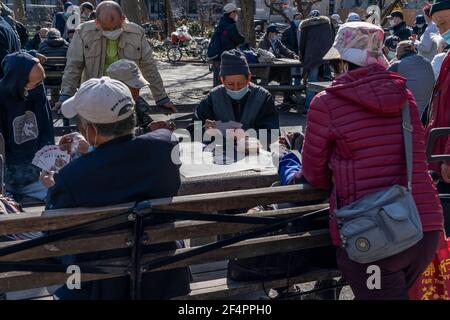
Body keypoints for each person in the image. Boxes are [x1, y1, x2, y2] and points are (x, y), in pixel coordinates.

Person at [301, 22, 443, 300]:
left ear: (342, 63)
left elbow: (314, 174)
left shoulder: (325, 103)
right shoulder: (405, 97)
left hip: (374, 237)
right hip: (423, 228)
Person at [41, 77, 191, 300]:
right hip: (165, 276)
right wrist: (93, 152)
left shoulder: (71, 178)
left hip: (100, 287)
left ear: (90, 129)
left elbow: (52, 237)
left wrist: (53, 187)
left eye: (80, 122)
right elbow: (128, 158)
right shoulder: (166, 146)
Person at [55, 1, 176, 114]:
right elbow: (73, 66)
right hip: (94, 94)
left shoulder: (137, 33)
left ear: (123, 19)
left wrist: (161, 98)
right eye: (107, 28)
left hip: (125, 96)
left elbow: (149, 66)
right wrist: (66, 96)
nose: (112, 31)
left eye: (116, 27)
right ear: (97, 22)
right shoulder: (83, 32)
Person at [0, 52, 54, 202]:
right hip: (9, 177)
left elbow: (45, 129)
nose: (40, 87)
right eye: (35, 83)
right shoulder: (2, 97)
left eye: (41, 82)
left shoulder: (36, 91)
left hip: (37, 175)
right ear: (18, 81)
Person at [193, 50, 279, 137]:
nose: (236, 88)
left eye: (241, 84)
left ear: (249, 78)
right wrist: (205, 130)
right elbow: (193, 129)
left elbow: (272, 133)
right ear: (222, 80)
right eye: (230, 84)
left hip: (254, 148)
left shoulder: (263, 97)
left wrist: (246, 135)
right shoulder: (213, 97)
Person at [424, 0, 450, 233]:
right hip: (439, 153)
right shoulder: (447, 58)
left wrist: (448, 157)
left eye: (444, 24)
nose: (441, 31)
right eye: (438, 26)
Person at [107, 59, 174, 134]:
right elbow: (113, 139)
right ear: (117, 86)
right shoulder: (104, 107)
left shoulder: (137, 101)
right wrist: (147, 130)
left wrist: (157, 126)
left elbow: (146, 122)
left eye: (138, 87)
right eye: (132, 87)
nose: (137, 91)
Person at [388, 40, 435, 116]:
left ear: (398, 52)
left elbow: (382, 79)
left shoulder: (397, 64)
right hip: (428, 112)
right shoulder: (427, 62)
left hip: (409, 113)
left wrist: (391, 64)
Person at [299, 10, 334, 110]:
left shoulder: (306, 26)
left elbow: (302, 44)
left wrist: (301, 57)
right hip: (326, 55)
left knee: (312, 81)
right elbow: (332, 38)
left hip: (312, 56)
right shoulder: (327, 24)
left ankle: (309, 106)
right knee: (326, 81)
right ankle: (327, 105)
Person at [258, 24, 298, 104]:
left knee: (286, 69)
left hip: (276, 67)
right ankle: (287, 95)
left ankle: (287, 95)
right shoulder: (263, 42)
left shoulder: (276, 42)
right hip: (267, 69)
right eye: (275, 33)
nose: (277, 35)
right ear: (269, 33)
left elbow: (284, 50)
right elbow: (266, 56)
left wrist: (293, 55)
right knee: (284, 71)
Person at [210, 3, 245, 87]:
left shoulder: (221, 23)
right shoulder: (231, 26)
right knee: (226, 83)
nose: (236, 15)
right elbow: (239, 39)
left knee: (217, 83)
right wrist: (242, 38)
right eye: (236, 12)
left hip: (217, 57)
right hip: (227, 58)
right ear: (232, 13)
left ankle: (215, 99)